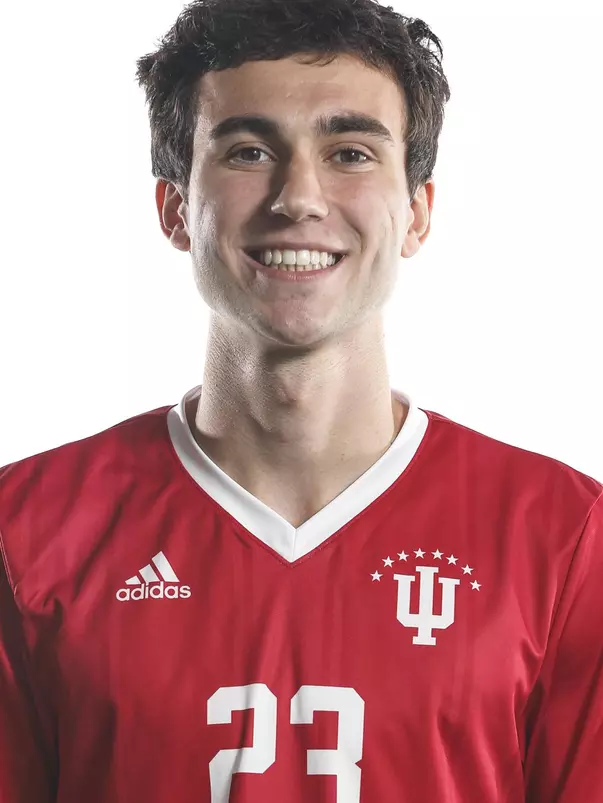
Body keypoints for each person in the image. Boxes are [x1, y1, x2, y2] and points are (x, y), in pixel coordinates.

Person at [1, 0, 602, 800]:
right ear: (175, 209)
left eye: (350, 152)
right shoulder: (25, 530)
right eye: (248, 151)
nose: (298, 197)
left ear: (416, 213)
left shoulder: (564, 536)